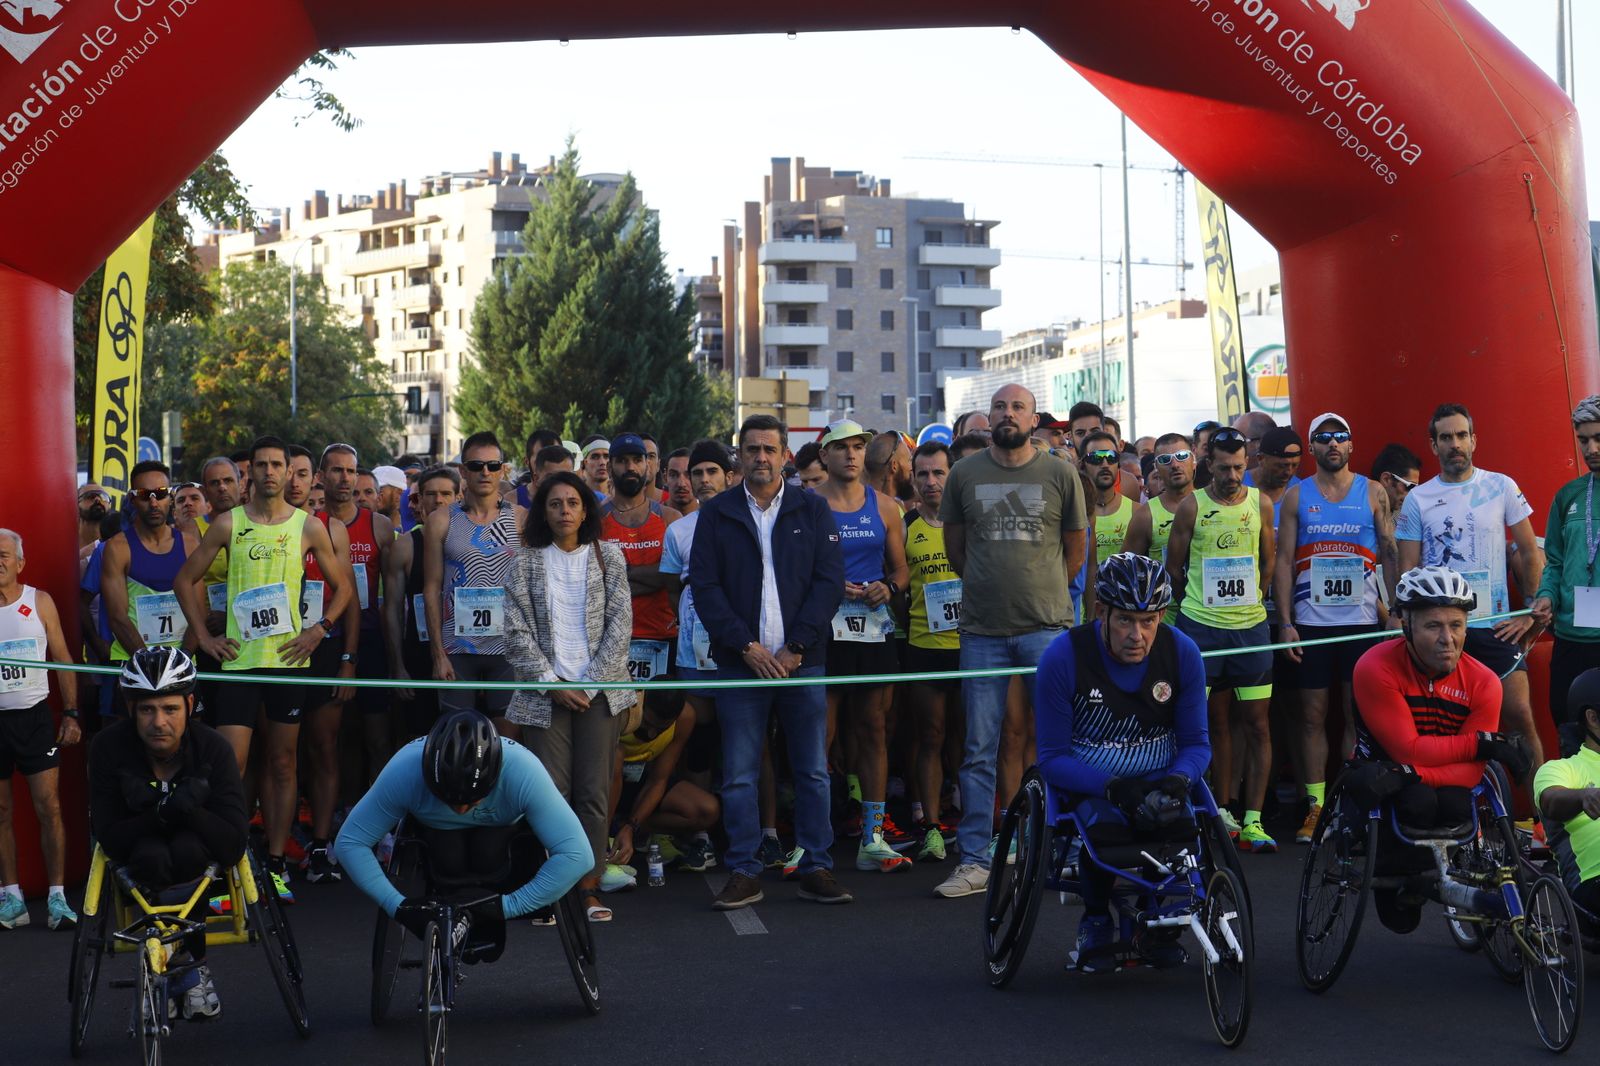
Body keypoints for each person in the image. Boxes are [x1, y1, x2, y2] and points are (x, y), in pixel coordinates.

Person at [175, 435, 350, 900]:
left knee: (283, 762)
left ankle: (274, 864)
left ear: (291, 472)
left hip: (287, 663)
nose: (271, 473)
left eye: (280, 465)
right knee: (231, 766)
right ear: (248, 471)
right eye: (263, 465)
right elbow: (184, 579)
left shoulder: (308, 526)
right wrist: (206, 639)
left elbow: (344, 588)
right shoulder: (228, 523)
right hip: (238, 663)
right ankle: (228, 867)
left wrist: (319, 630)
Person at [691, 414, 852, 908]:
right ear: (739, 456)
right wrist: (748, 647)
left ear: (785, 454)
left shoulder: (812, 508)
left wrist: (795, 648)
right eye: (751, 448)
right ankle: (743, 868)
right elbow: (706, 587)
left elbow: (829, 583)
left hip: (803, 661)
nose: (760, 457)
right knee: (739, 773)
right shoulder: (717, 513)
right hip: (742, 664)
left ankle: (817, 865)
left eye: (769, 448)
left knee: (812, 771)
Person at [934, 384, 1088, 898]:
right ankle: (976, 860)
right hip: (981, 631)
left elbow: (1075, 552)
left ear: (1033, 417)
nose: (1006, 414)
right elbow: (957, 549)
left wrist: (1040, 596)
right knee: (979, 748)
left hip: (1046, 628)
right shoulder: (963, 474)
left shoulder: (1060, 473)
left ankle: (1063, 852)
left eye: (1016, 407)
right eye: (999, 407)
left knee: (1059, 746)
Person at [1035, 553, 1210, 971]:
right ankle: (1096, 917)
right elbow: (1052, 758)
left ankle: (1155, 913)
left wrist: (1179, 780)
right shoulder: (1063, 657)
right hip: (1092, 779)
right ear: (1101, 612)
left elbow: (1197, 743)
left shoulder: (1182, 653)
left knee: (1181, 829)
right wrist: (1112, 786)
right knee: (1108, 835)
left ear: (1162, 616)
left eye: (1148, 621)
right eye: (1125, 621)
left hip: (1159, 773)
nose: (1137, 634)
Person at [1347, 565, 1530, 932]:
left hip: (1415, 776)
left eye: (1457, 625)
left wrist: (1416, 772)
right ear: (1406, 626)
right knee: (1417, 801)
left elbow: (1473, 771)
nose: (1448, 638)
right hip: (1381, 774)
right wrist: (1477, 743)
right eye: (1433, 626)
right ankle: (1397, 868)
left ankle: (1431, 871)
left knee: (1455, 803)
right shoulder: (1375, 666)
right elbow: (1407, 750)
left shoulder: (1484, 682)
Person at [503, 471, 635, 922]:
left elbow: (621, 626)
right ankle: (550, 892)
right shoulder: (524, 562)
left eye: (573, 503)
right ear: (543, 511)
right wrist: (553, 684)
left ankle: (588, 887)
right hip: (545, 694)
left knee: (593, 793)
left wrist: (589, 685)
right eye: (555, 503)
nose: (564, 511)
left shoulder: (609, 556)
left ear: (585, 510)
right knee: (549, 795)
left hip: (599, 694)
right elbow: (515, 630)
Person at [335, 711, 592, 939]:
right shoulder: (405, 769)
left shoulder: (523, 770)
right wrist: (398, 907)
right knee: (449, 856)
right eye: (447, 798)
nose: (460, 810)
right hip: (438, 846)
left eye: (471, 801)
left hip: (503, 849)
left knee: (488, 850)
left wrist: (508, 906)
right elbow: (350, 842)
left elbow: (578, 855)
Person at [88, 648, 246, 1017]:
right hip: (139, 853)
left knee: (190, 848)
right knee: (152, 855)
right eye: (147, 709)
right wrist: (160, 814)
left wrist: (188, 810)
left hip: (199, 855)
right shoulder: (108, 749)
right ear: (131, 710)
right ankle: (167, 960)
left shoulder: (214, 750)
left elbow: (232, 844)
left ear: (190, 704)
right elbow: (107, 835)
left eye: (170, 709)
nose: (158, 722)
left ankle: (191, 961)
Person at [1397, 403, 1544, 771]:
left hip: (1493, 627)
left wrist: (1531, 610)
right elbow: (1407, 572)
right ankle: (1453, 818)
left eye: (1461, 435)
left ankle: (1546, 824)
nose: (1454, 444)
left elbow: (1529, 552)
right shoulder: (1418, 498)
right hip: (1441, 632)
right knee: (1442, 731)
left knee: (1522, 717)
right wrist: (1409, 629)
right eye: (1445, 437)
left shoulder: (1500, 486)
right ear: (1434, 446)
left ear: (1474, 440)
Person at [1274, 413, 1398, 844]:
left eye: (1339, 437)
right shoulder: (1296, 496)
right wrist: (1286, 621)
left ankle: (1350, 806)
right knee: (1311, 716)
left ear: (1351, 445)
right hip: (1311, 622)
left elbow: (1389, 551)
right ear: (1312, 448)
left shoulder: (1374, 492)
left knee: (1354, 715)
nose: (1332, 444)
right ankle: (1314, 807)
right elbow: (1284, 562)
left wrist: (1397, 610)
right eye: (1323, 438)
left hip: (1360, 622)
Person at [1166, 428, 1278, 851]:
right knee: (1203, 725)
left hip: (1250, 631)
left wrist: (1251, 606)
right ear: (1207, 464)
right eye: (1223, 467)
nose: (1232, 475)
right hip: (1202, 629)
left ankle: (1253, 820)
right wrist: (1197, 608)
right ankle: (1211, 810)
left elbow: (1267, 564)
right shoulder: (1192, 506)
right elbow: (1174, 568)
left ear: (1247, 463)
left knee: (1258, 725)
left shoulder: (1260, 503)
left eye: (1238, 466)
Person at [815, 419, 912, 870]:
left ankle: (873, 835)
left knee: (873, 728)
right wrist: (830, 587)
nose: (852, 454)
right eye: (842, 447)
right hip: (823, 628)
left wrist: (887, 590)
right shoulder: (807, 506)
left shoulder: (887, 507)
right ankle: (814, 836)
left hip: (873, 627)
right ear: (825, 457)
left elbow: (901, 570)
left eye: (858, 447)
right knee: (823, 732)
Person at [303, 443, 394, 883]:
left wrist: (364, 657)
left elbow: (389, 595)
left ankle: (376, 824)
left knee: (374, 737)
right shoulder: (309, 525)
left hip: (366, 640)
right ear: (321, 475)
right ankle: (335, 818)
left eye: (351, 471)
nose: (344, 478)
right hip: (321, 640)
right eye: (336, 470)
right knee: (332, 741)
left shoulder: (377, 524)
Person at [658, 440, 741, 862]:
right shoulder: (678, 531)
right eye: (697, 474)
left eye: (712, 472)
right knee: (698, 742)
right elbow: (674, 590)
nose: (703, 480)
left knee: (746, 742)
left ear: (730, 476)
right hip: (695, 657)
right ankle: (703, 835)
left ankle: (754, 832)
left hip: (745, 653)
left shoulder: (751, 521)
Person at [0, 529, 82, 931]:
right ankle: (11, 898)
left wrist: (71, 713)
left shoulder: (39, 601)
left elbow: (63, 657)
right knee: (1, 812)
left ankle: (57, 898)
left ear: (20, 562)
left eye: (3, 555)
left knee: (48, 808)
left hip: (34, 716)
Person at [424, 431, 525, 733]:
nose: (485, 472)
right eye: (477, 465)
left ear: (503, 469)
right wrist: (437, 654)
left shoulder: (522, 519)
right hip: (457, 649)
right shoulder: (441, 520)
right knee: (458, 738)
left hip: (508, 647)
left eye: (493, 466)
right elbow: (430, 588)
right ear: (462, 471)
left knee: (509, 744)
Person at [904, 441, 963, 862]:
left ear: (952, 474)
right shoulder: (905, 525)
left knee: (970, 741)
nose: (930, 482)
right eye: (922, 474)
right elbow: (896, 582)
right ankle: (931, 827)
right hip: (924, 645)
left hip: (972, 647)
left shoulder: (969, 521)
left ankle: (978, 822)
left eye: (938, 473)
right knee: (931, 736)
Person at [1531, 396, 1600, 756]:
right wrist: (1547, 596)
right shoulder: (1568, 496)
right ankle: (1574, 808)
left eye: (1598, 438)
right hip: (1572, 637)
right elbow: (1554, 562)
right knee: (1568, 723)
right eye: (1584, 440)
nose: (1592, 448)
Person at [384, 466, 460, 740]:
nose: (439, 500)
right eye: (431, 494)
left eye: (446, 494)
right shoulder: (405, 545)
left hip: (464, 655)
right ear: (419, 500)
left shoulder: (472, 543)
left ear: (459, 496)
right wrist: (398, 667)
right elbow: (392, 609)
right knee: (421, 740)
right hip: (418, 656)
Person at [99, 462, 197, 665]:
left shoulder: (189, 544)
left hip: (182, 662)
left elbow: (199, 611)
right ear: (133, 499)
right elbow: (117, 616)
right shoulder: (117, 547)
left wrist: (184, 657)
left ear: (170, 497)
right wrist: (147, 660)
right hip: (135, 660)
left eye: (160, 493)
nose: (153, 503)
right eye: (145, 495)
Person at [1535, 668, 1600, 917]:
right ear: (1592, 717)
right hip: (1594, 880)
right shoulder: (1564, 769)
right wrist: (1584, 796)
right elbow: (1550, 799)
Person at [1123, 433, 1196, 627]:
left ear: (1194, 460)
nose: (1175, 464)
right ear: (1156, 467)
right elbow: (1127, 571)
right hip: (1165, 618)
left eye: (1181, 456)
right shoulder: (1145, 515)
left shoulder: (1212, 503)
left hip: (1211, 614)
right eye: (1165, 460)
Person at [1370, 443, 1422, 521]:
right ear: (1386, 479)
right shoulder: (1356, 515)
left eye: (1415, 488)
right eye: (1409, 486)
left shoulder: (1404, 517)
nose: (1411, 495)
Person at [515, 429, 563, 510]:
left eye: (554, 458)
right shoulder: (511, 502)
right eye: (541, 459)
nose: (549, 465)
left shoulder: (577, 498)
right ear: (527, 461)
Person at [78, 483, 111, 555]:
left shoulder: (117, 544)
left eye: (103, 496)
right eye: (90, 496)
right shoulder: (64, 543)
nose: (98, 499)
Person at [663, 448, 695, 513]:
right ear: (665, 478)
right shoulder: (651, 516)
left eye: (688, 475)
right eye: (673, 475)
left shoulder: (710, 517)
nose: (681, 484)